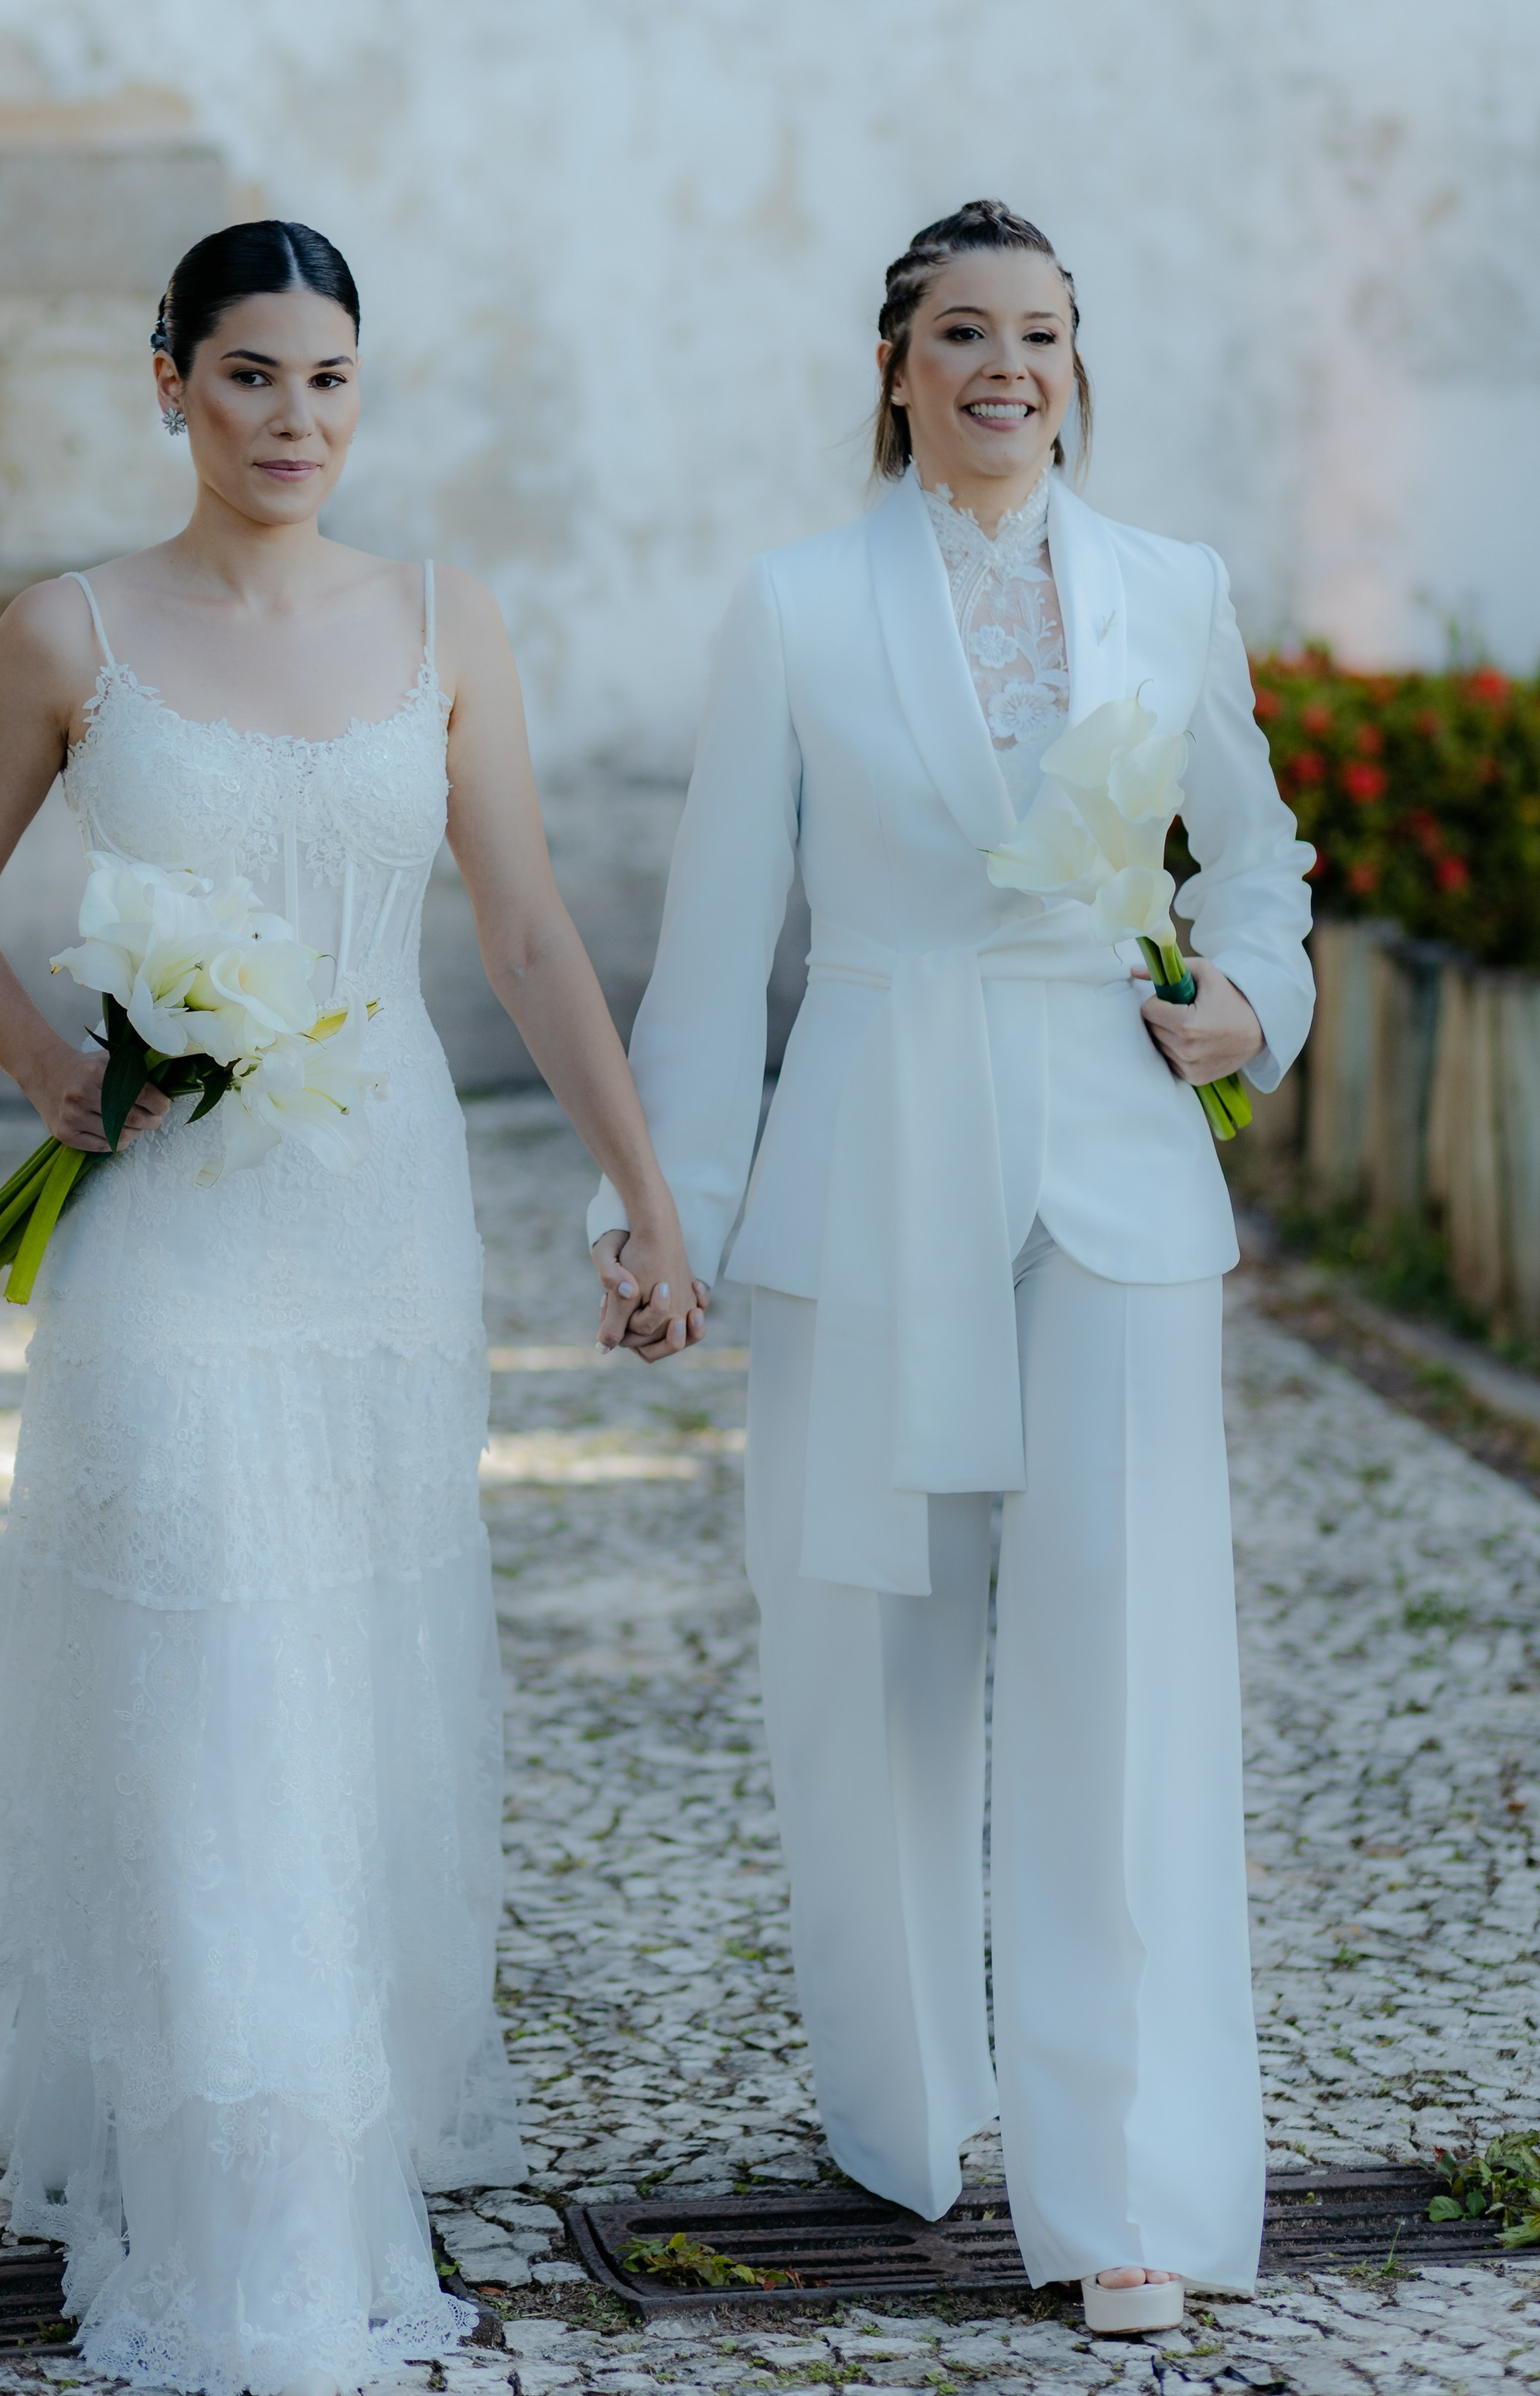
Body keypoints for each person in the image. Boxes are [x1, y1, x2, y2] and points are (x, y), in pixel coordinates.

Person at [0, 219, 697, 2396]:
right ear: (170, 385)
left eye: (330, 381)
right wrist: (53, 1074)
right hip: (171, 1232)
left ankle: (324, 2083)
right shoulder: (69, 634)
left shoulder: (446, 623)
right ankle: (246, 2191)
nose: (294, 421)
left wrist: (643, 1197)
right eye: (249, 377)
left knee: (340, 1658)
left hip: (381, 1222)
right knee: (206, 1665)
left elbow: (522, 933)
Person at [588, 200, 1314, 2336]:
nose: (1012, 368)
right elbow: (719, 955)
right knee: (873, 1674)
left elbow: (1257, 864)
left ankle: (1125, 2196)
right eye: (967, 333)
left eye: (1047, 335)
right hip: (872, 1169)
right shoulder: (800, 609)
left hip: (1113, 1181)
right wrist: (666, 1220)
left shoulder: (1173, 590)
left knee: (1125, 1680)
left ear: (1081, 364)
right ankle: (902, 2104)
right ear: (896, 361)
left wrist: (1246, 1006)